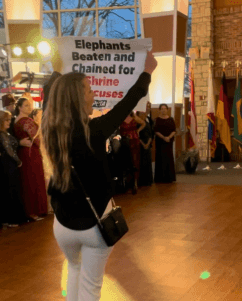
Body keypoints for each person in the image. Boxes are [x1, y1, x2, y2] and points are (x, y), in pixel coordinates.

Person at [42, 51, 157, 301]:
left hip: (62, 225)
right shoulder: (94, 131)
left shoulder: (50, 129)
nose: (93, 93)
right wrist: (147, 72)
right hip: (94, 223)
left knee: (74, 270)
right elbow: (127, 103)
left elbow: (49, 97)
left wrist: (55, 71)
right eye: (88, 89)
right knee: (91, 286)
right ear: (77, 99)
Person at [0, 111, 28, 227]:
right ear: (0, 121)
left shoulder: (0, 133)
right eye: (7, 120)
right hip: (7, 165)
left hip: (6, 164)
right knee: (10, 190)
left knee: (8, 190)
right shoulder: (1, 134)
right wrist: (18, 161)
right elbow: (9, 150)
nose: (9, 122)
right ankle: (12, 219)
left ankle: (10, 218)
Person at [13, 97, 48, 221]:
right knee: (34, 180)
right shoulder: (26, 121)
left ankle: (31, 211)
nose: (30, 107)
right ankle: (35, 211)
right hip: (31, 153)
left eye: (30, 105)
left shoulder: (15, 121)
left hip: (23, 153)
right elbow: (36, 139)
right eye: (26, 105)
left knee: (27, 181)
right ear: (19, 107)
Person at [118, 112, 146, 194]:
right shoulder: (120, 117)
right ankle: (126, 183)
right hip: (124, 141)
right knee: (125, 161)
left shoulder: (134, 117)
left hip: (134, 140)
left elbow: (143, 123)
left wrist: (137, 131)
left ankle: (135, 183)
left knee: (135, 161)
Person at [154, 103, 177, 183]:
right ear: (159, 110)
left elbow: (174, 130)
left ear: (167, 110)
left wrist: (169, 137)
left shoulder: (171, 119)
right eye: (162, 109)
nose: (163, 110)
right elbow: (156, 131)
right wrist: (164, 137)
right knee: (161, 158)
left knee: (169, 158)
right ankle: (160, 178)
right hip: (160, 142)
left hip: (169, 142)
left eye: (165, 108)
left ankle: (169, 178)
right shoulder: (157, 119)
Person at [137, 107, 154, 187]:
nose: (143, 115)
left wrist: (148, 143)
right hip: (141, 144)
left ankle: (148, 181)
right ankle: (142, 181)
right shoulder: (137, 124)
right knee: (141, 163)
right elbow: (137, 136)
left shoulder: (147, 122)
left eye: (144, 113)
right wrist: (143, 144)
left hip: (148, 142)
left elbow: (151, 134)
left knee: (148, 162)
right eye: (141, 113)